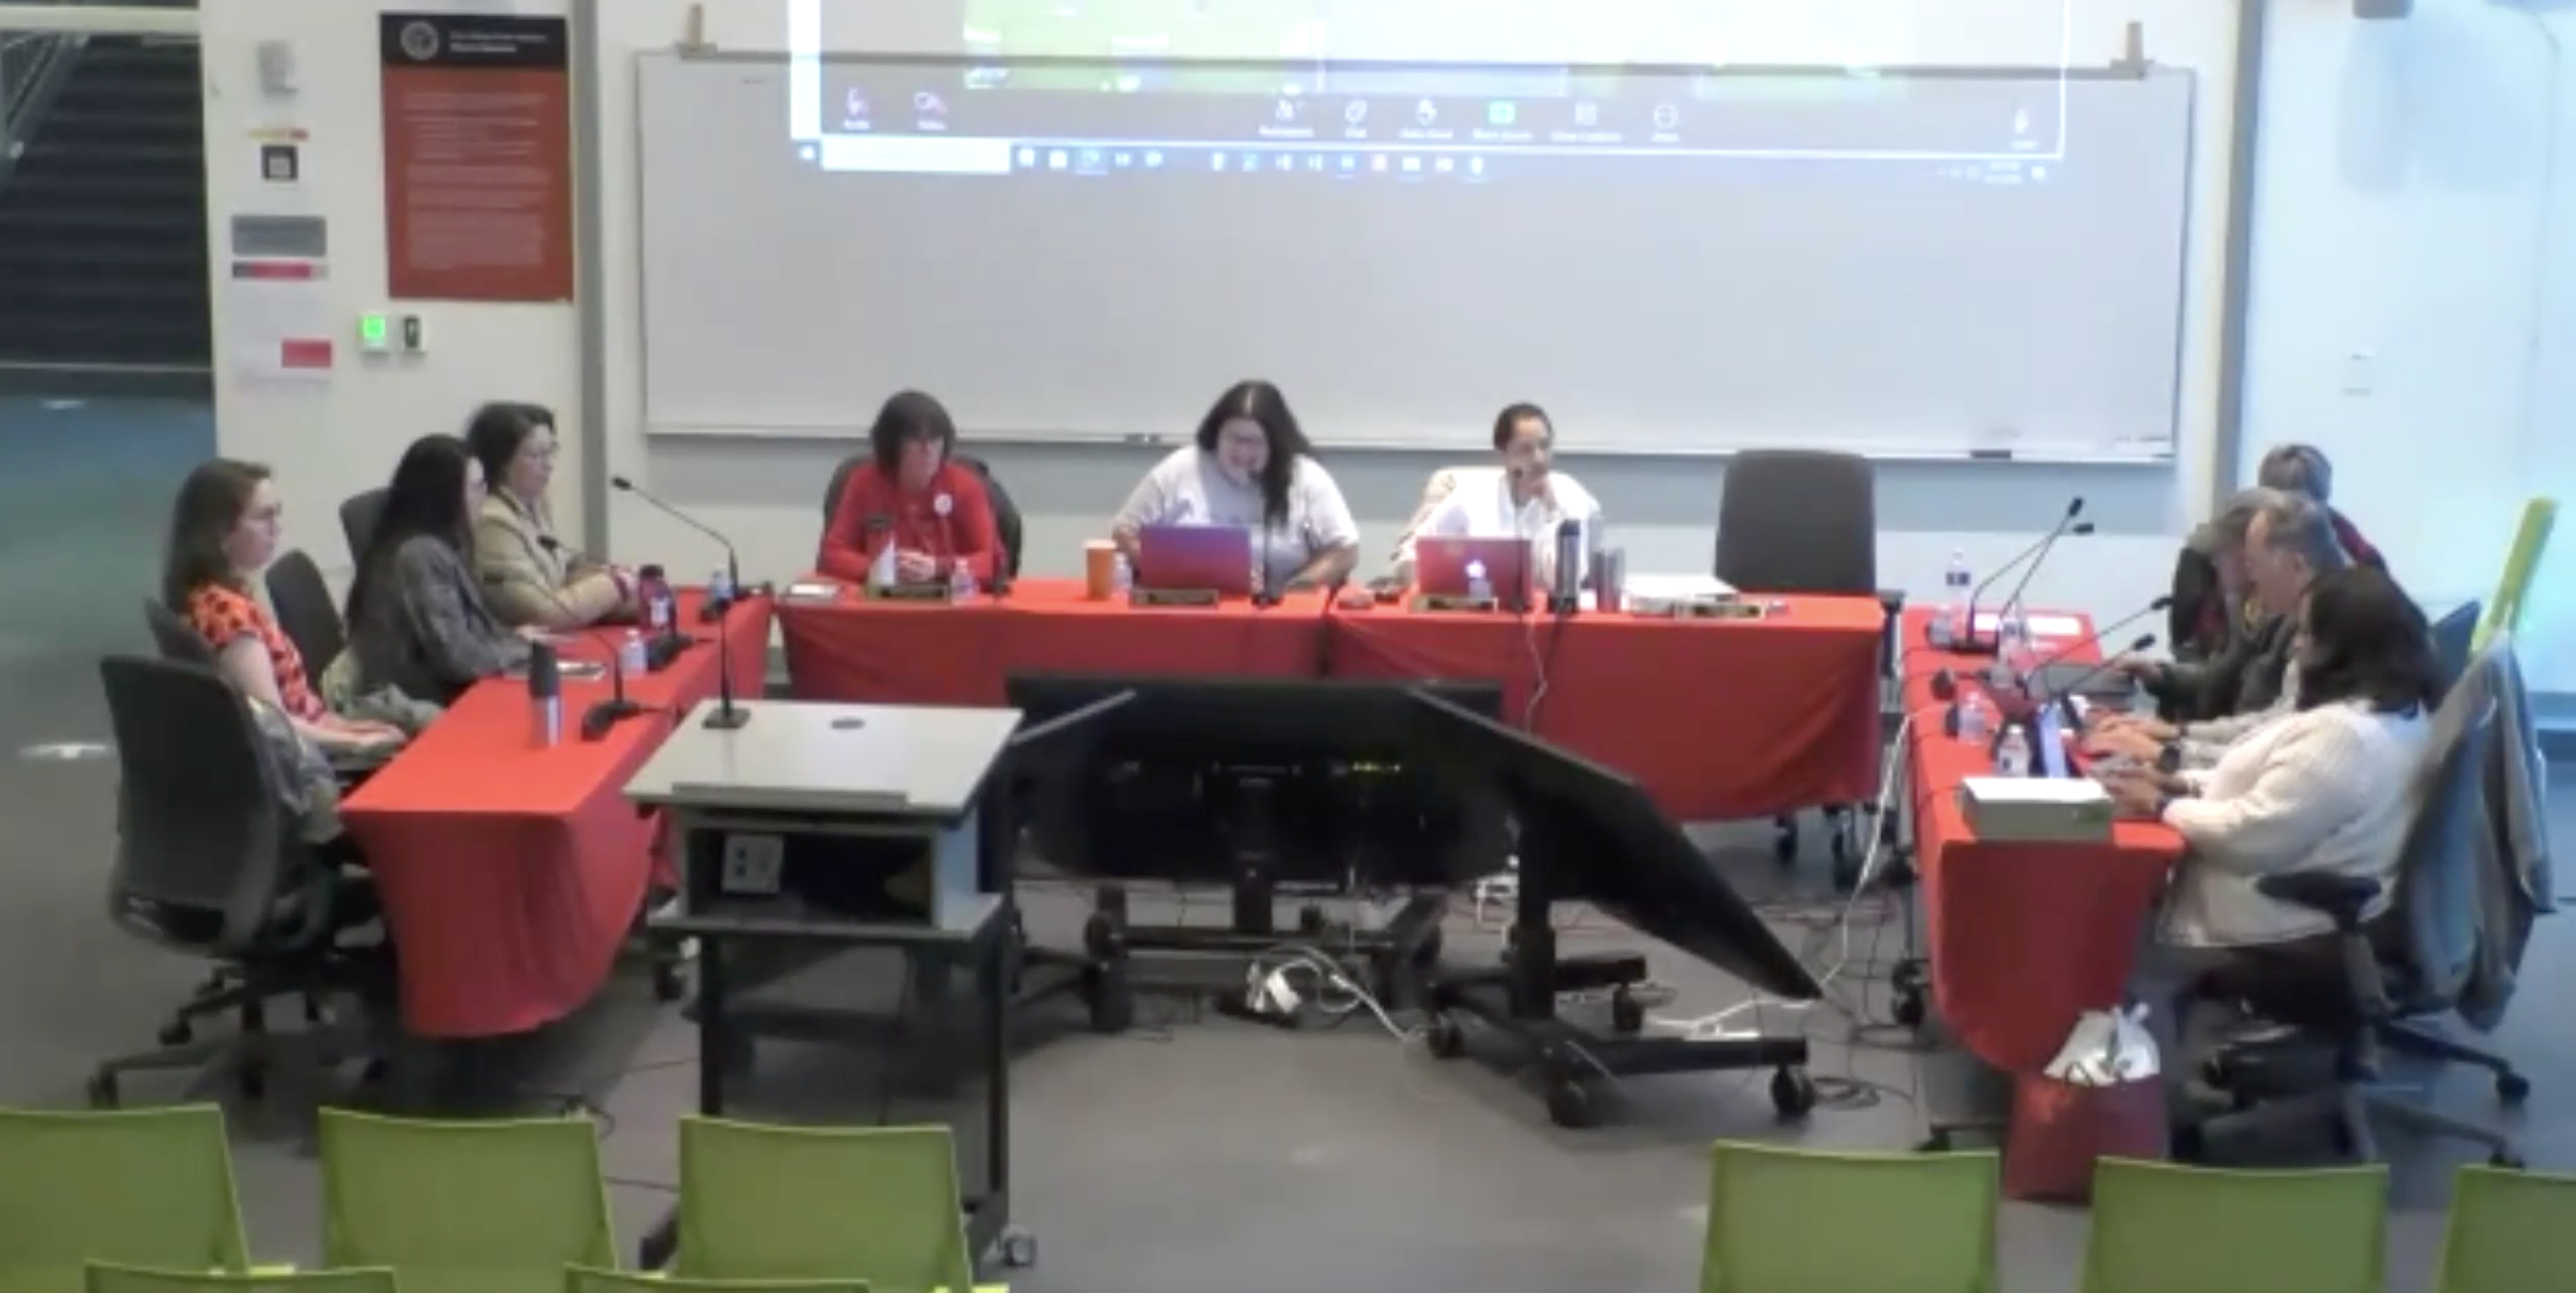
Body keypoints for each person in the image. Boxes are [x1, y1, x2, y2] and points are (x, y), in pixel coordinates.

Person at [2103, 566, 2437, 1102]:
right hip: (2333, 897)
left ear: (2340, 648)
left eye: (2307, 633)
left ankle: (2145, 1112)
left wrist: (2165, 806)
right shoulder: (2396, 713)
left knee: (2127, 945)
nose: (2296, 645)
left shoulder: (2342, 738)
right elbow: (2274, 791)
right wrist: (2182, 781)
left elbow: (2247, 836)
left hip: (2294, 921)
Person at [161, 458, 406, 754]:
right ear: (221, 531)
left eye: (277, 514)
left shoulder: (207, 594)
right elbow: (274, 727)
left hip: (311, 734)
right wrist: (355, 742)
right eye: (264, 517)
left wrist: (348, 728)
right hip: (304, 758)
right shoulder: (228, 617)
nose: (276, 528)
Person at [2099, 492, 2355, 766]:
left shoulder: (2328, 629)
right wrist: (2176, 734)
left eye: (2254, 562)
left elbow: (2273, 740)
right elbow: (2265, 723)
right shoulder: (2263, 611)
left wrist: (2170, 753)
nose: (2252, 574)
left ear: (2296, 565)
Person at [1111, 379, 1361, 594]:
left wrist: (1294, 590)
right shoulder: (1181, 468)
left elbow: (1345, 550)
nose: (1242, 451)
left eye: (1253, 442)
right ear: (1216, 434)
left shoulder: (1305, 476)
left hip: (1282, 611)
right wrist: (1173, 572)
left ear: (1275, 444)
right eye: (1233, 439)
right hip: (1189, 608)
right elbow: (1123, 532)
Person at [342, 435, 533, 706]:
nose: (484, 497)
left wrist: (514, 639)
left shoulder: (438, 544)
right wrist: (525, 649)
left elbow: (473, 632)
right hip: (429, 705)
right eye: (476, 487)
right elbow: (462, 660)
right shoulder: (421, 555)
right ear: (445, 497)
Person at [467, 402, 635, 628]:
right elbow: (540, 614)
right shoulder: (493, 521)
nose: (549, 465)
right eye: (536, 455)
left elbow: (559, 573)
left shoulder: (535, 503)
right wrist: (616, 585)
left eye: (550, 452)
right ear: (502, 462)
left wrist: (607, 576)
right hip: (513, 645)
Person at [1399, 402, 1602, 589]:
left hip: (1548, 615)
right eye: (1525, 449)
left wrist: (1552, 512)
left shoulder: (1570, 495)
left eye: (1544, 446)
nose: (1539, 459)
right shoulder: (1471, 495)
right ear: (1503, 454)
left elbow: (1566, 583)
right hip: (1479, 610)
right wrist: (1423, 589)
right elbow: (1411, 550)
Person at [817, 390, 1003, 586]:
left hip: (946, 596)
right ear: (892, 444)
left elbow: (992, 561)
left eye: (935, 440)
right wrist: (881, 568)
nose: (928, 450)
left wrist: (938, 568)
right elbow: (832, 555)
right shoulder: (864, 482)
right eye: (917, 440)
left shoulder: (964, 484)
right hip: (882, 595)